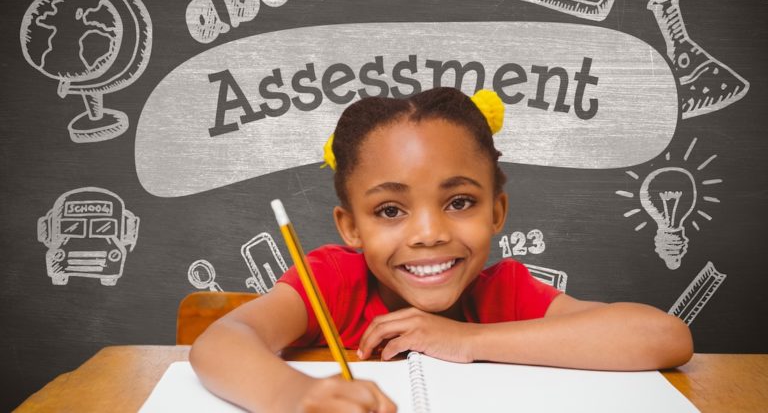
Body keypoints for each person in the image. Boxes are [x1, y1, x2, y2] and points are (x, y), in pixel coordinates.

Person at [190, 87, 693, 413]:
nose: (429, 233)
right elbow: (221, 341)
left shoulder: (507, 292)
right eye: (390, 210)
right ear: (351, 227)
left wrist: (463, 339)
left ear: (496, 212)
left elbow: (663, 337)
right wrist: (296, 396)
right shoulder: (332, 280)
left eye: (459, 202)